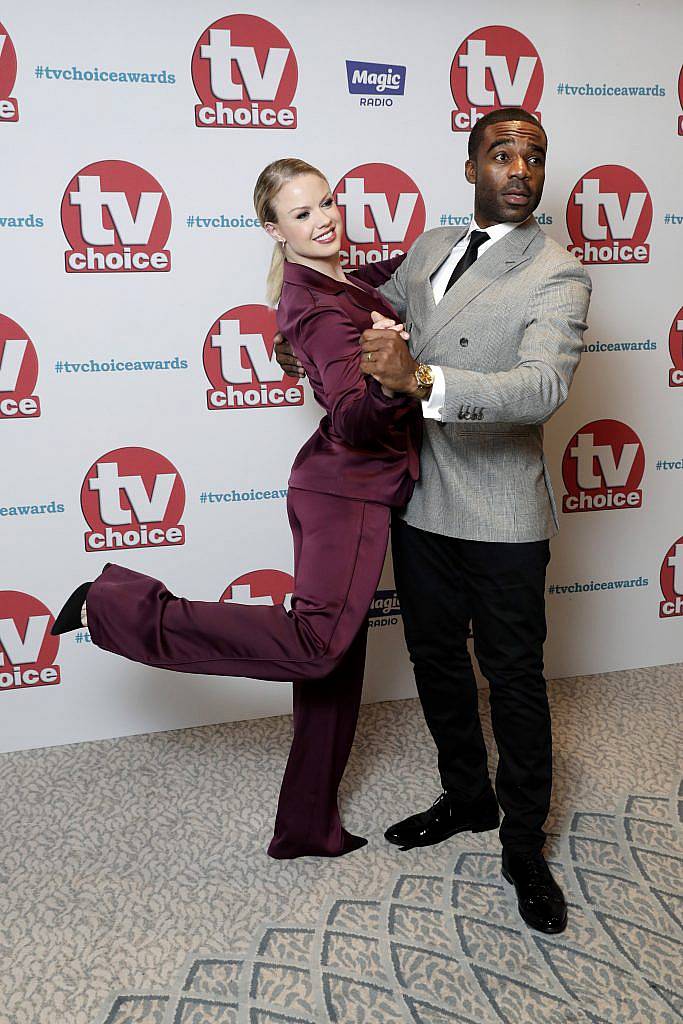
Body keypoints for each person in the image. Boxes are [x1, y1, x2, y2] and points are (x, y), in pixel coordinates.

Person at [275, 109, 592, 932]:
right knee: (435, 663)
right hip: (420, 505)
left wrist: (423, 379)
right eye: (500, 154)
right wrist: (302, 339)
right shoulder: (429, 245)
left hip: (502, 513)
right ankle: (466, 796)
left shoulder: (557, 273)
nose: (519, 170)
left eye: (534, 156)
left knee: (515, 684)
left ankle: (523, 846)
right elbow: (352, 308)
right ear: (469, 166)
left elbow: (539, 389)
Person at [51, 158, 422, 861]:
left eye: (327, 202)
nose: (324, 219)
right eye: (303, 213)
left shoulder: (340, 280)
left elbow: (394, 274)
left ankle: (307, 825)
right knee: (316, 646)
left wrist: (460, 244)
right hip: (344, 494)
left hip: (339, 492)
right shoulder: (313, 305)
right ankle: (116, 605)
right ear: (273, 230)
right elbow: (351, 416)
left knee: (333, 661)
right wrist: (394, 381)